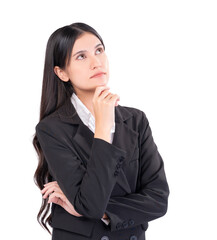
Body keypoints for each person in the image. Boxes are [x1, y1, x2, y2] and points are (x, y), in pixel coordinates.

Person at [32, 22, 170, 240]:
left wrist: (100, 211)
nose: (96, 62)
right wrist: (103, 128)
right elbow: (91, 203)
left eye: (99, 50)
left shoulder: (136, 120)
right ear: (61, 72)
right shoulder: (52, 129)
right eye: (81, 56)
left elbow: (158, 200)